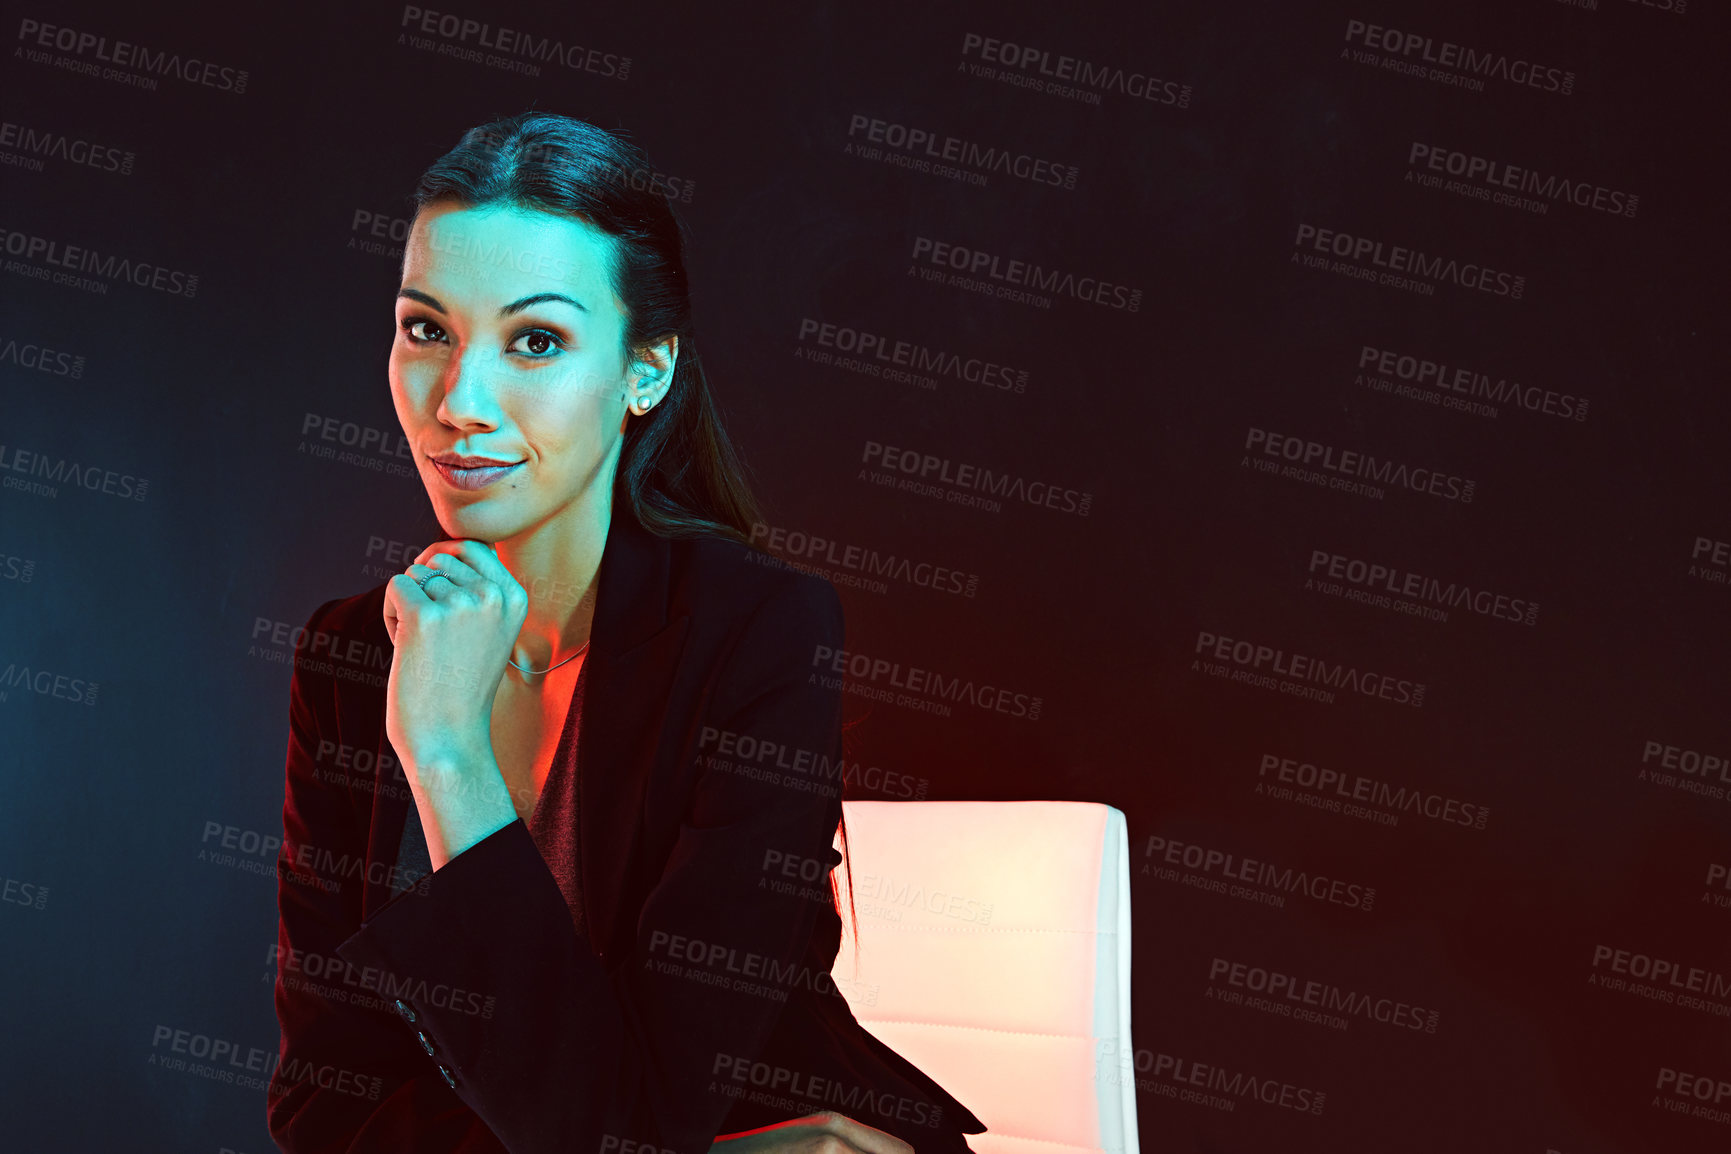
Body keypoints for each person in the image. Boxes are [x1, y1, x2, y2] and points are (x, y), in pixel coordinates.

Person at [267, 111, 986, 1153]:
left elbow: (641, 1122)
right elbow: (321, 1105)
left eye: (538, 341)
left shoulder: (759, 633)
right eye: (429, 329)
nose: (460, 401)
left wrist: (450, 757)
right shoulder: (351, 653)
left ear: (644, 371)